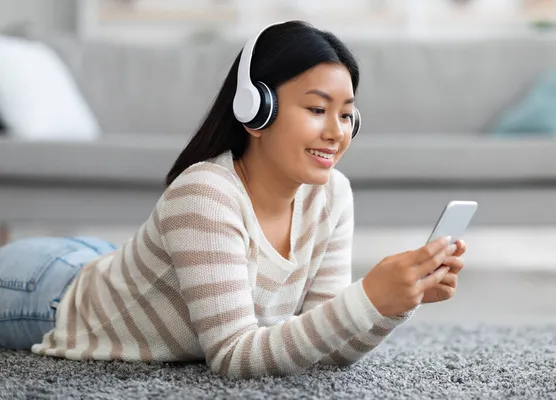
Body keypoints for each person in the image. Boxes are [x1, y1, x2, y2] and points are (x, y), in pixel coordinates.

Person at [0, 20, 466, 379]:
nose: (336, 132)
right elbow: (234, 357)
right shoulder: (205, 194)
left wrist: (395, 303)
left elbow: (325, 345)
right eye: (317, 109)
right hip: (45, 294)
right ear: (255, 109)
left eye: (347, 115)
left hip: (111, 265)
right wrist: (368, 296)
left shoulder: (332, 194)